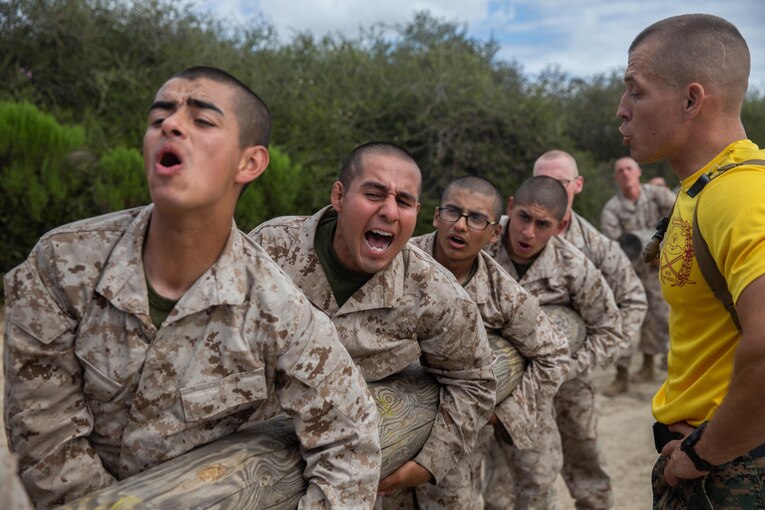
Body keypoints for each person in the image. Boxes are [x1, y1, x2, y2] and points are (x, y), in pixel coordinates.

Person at [3, 66, 381, 509]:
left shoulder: (277, 309)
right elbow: (43, 437)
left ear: (250, 162)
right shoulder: (60, 264)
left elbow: (352, 439)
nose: (170, 124)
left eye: (202, 121)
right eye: (158, 117)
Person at [249, 142, 497, 502]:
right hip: (238, 458)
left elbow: (474, 381)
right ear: (339, 195)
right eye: (374, 194)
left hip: (341, 474)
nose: (390, 212)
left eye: (404, 201)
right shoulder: (270, 250)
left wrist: (429, 462)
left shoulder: (432, 291)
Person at [617, 14, 765, 507]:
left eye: (635, 91)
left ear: (691, 99)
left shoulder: (742, 195)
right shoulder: (699, 189)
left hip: (736, 470)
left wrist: (704, 454)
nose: (621, 111)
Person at [409, 176, 569, 508]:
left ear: (495, 232)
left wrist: (502, 412)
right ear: (437, 216)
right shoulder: (398, 263)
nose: (462, 226)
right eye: (454, 212)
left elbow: (554, 353)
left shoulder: (502, 293)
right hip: (394, 420)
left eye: (477, 219)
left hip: (456, 441)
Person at [484, 176, 623, 509]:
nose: (528, 232)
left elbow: (609, 329)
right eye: (523, 218)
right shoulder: (482, 241)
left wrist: (564, 368)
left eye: (542, 224)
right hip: (485, 380)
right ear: (511, 207)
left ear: (560, 226)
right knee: (489, 486)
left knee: (545, 476)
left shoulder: (573, 267)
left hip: (549, 385)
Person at [533, 150, 647, 396]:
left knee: (580, 436)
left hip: (571, 378)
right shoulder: (506, 234)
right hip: (511, 372)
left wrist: (595, 353)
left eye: (561, 182)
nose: (550, 190)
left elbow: (633, 301)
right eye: (542, 182)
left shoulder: (598, 246)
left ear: (578, 184)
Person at [600, 156, 675, 383]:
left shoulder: (656, 195)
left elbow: (682, 213)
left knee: (659, 317)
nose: (625, 173)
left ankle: (649, 365)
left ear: (638, 172)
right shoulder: (612, 209)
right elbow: (613, 247)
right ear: (616, 177)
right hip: (629, 274)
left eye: (629, 168)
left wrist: (667, 248)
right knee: (625, 321)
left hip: (658, 270)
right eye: (620, 170)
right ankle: (621, 375)